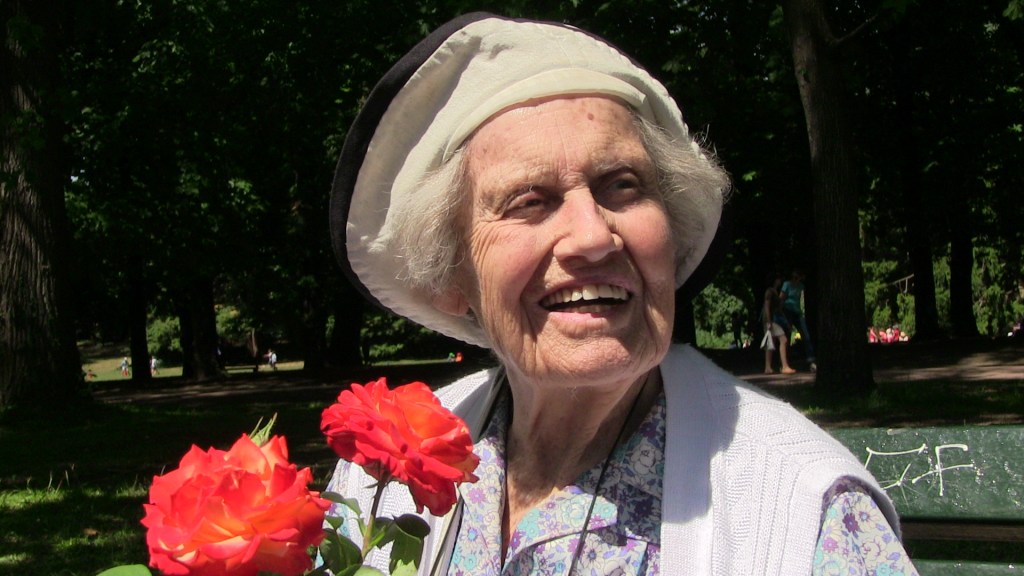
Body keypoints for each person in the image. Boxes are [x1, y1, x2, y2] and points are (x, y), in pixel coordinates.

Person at [325, 13, 914, 575]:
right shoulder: (385, 469)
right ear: (454, 277)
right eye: (530, 201)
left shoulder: (809, 514)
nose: (593, 236)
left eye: (623, 186)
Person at [781, 269, 816, 371]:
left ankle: (811, 359)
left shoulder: (801, 286)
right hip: (787, 311)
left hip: (797, 312)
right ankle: (784, 363)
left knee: (805, 335)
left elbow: (801, 299)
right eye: (795, 277)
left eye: (798, 277)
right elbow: (781, 298)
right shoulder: (787, 284)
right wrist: (781, 313)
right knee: (787, 336)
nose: (796, 279)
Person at [762, 274, 796, 375]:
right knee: (783, 339)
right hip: (771, 320)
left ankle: (768, 367)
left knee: (771, 342)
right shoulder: (770, 291)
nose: (780, 281)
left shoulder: (775, 292)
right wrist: (769, 321)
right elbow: (767, 306)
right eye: (778, 279)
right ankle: (784, 366)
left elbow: (778, 309)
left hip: (772, 320)